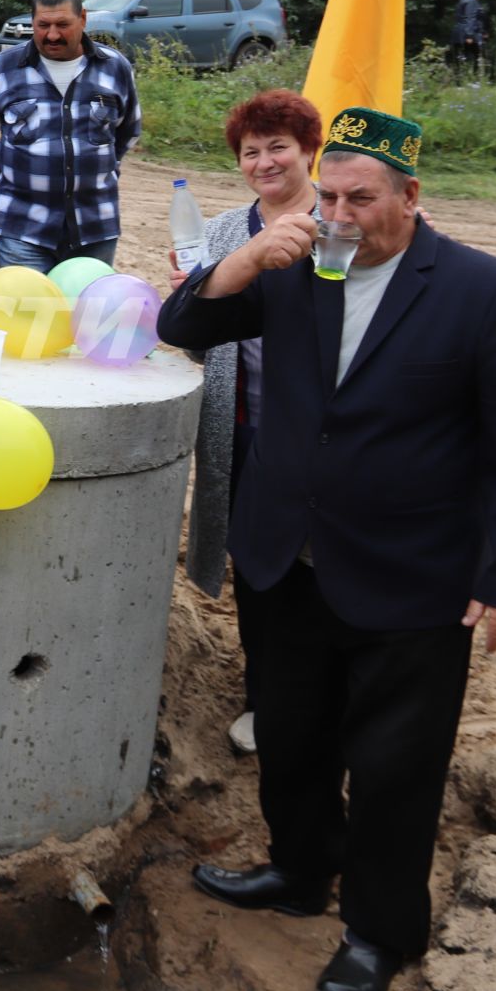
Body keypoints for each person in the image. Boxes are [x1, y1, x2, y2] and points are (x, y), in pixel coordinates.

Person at [158, 107, 496, 991]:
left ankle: (381, 933)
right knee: (293, 740)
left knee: (394, 768)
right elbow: (182, 326)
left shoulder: (481, 289)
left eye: (360, 198)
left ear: (410, 197)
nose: (337, 214)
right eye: (327, 195)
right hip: (283, 555)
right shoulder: (297, 268)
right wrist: (248, 257)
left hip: (412, 575)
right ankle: (301, 873)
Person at [168, 89, 324, 757]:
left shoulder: (340, 221)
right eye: (251, 152)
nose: (264, 162)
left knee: (316, 573)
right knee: (257, 573)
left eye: (278, 147)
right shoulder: (229, 230)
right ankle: (266, 701)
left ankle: (317, 704)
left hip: (319, 437)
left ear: (309, 151)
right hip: (243, 428)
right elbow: (203, 340)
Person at [0, 0, 140, 272]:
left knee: (87, 317)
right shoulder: (2, 69)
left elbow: (127, 130)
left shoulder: (115, 68)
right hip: (22, 227)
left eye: (63, 25)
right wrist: (3, 171)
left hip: (95, 227)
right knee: (27, 317)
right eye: (42, 25)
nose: (52, 35)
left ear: (83, 18)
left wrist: (105, 167)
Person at [448, 0, 485, 76]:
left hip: (458, 34)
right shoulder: (471, 1)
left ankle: (459, 83)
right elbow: (470, 18)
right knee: (473, 60)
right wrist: (469, 35)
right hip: (467, 35)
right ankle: (471, 82)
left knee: (459, 60)